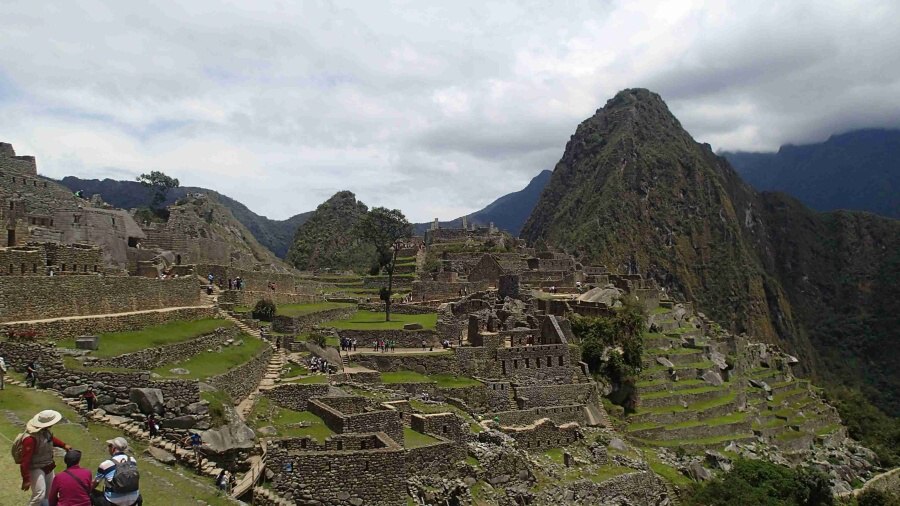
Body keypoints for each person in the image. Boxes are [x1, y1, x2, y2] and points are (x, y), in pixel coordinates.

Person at [21, 410, 72, 506]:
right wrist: (26, 479)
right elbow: (25, 461)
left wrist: (63, 445)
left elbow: (51, 439)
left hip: (48, 464)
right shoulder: (30, 439)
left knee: (50, 493)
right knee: (39, 494)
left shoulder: (45, 431)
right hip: (36, 467)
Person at [93, 437, 141, 506]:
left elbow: (95, 483)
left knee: (90, 493)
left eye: (109, 445)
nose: (108, 448)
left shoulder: (106, 464)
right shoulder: (132, 460)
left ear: (113, 448)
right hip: (133, 499)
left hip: (113, 502)